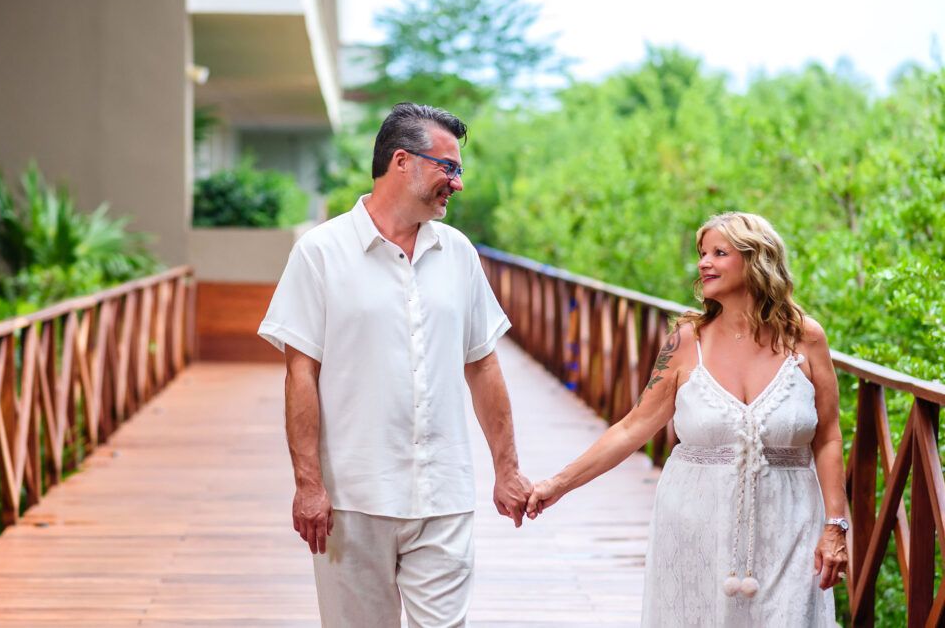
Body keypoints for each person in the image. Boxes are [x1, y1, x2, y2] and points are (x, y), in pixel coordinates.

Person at [259, 103, 532, 627]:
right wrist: (309, 485)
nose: (457, 183)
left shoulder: (458, 253)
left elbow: (483, 365)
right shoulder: (320, 252)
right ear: (401, 162)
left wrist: (508, 470)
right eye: (447, 167)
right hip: (352, 498)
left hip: (444, 493)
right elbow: (300, 374)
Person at [526, 212, 847, 626]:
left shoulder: (806, 337)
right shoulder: (685, 341)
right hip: (695, 527)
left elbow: (828, 436)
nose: (703, 263)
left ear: (756, 259)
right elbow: (633, 428)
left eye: (719, 253)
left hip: (791, 524)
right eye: (702, 253)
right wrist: (557, 484)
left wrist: (835, 526)